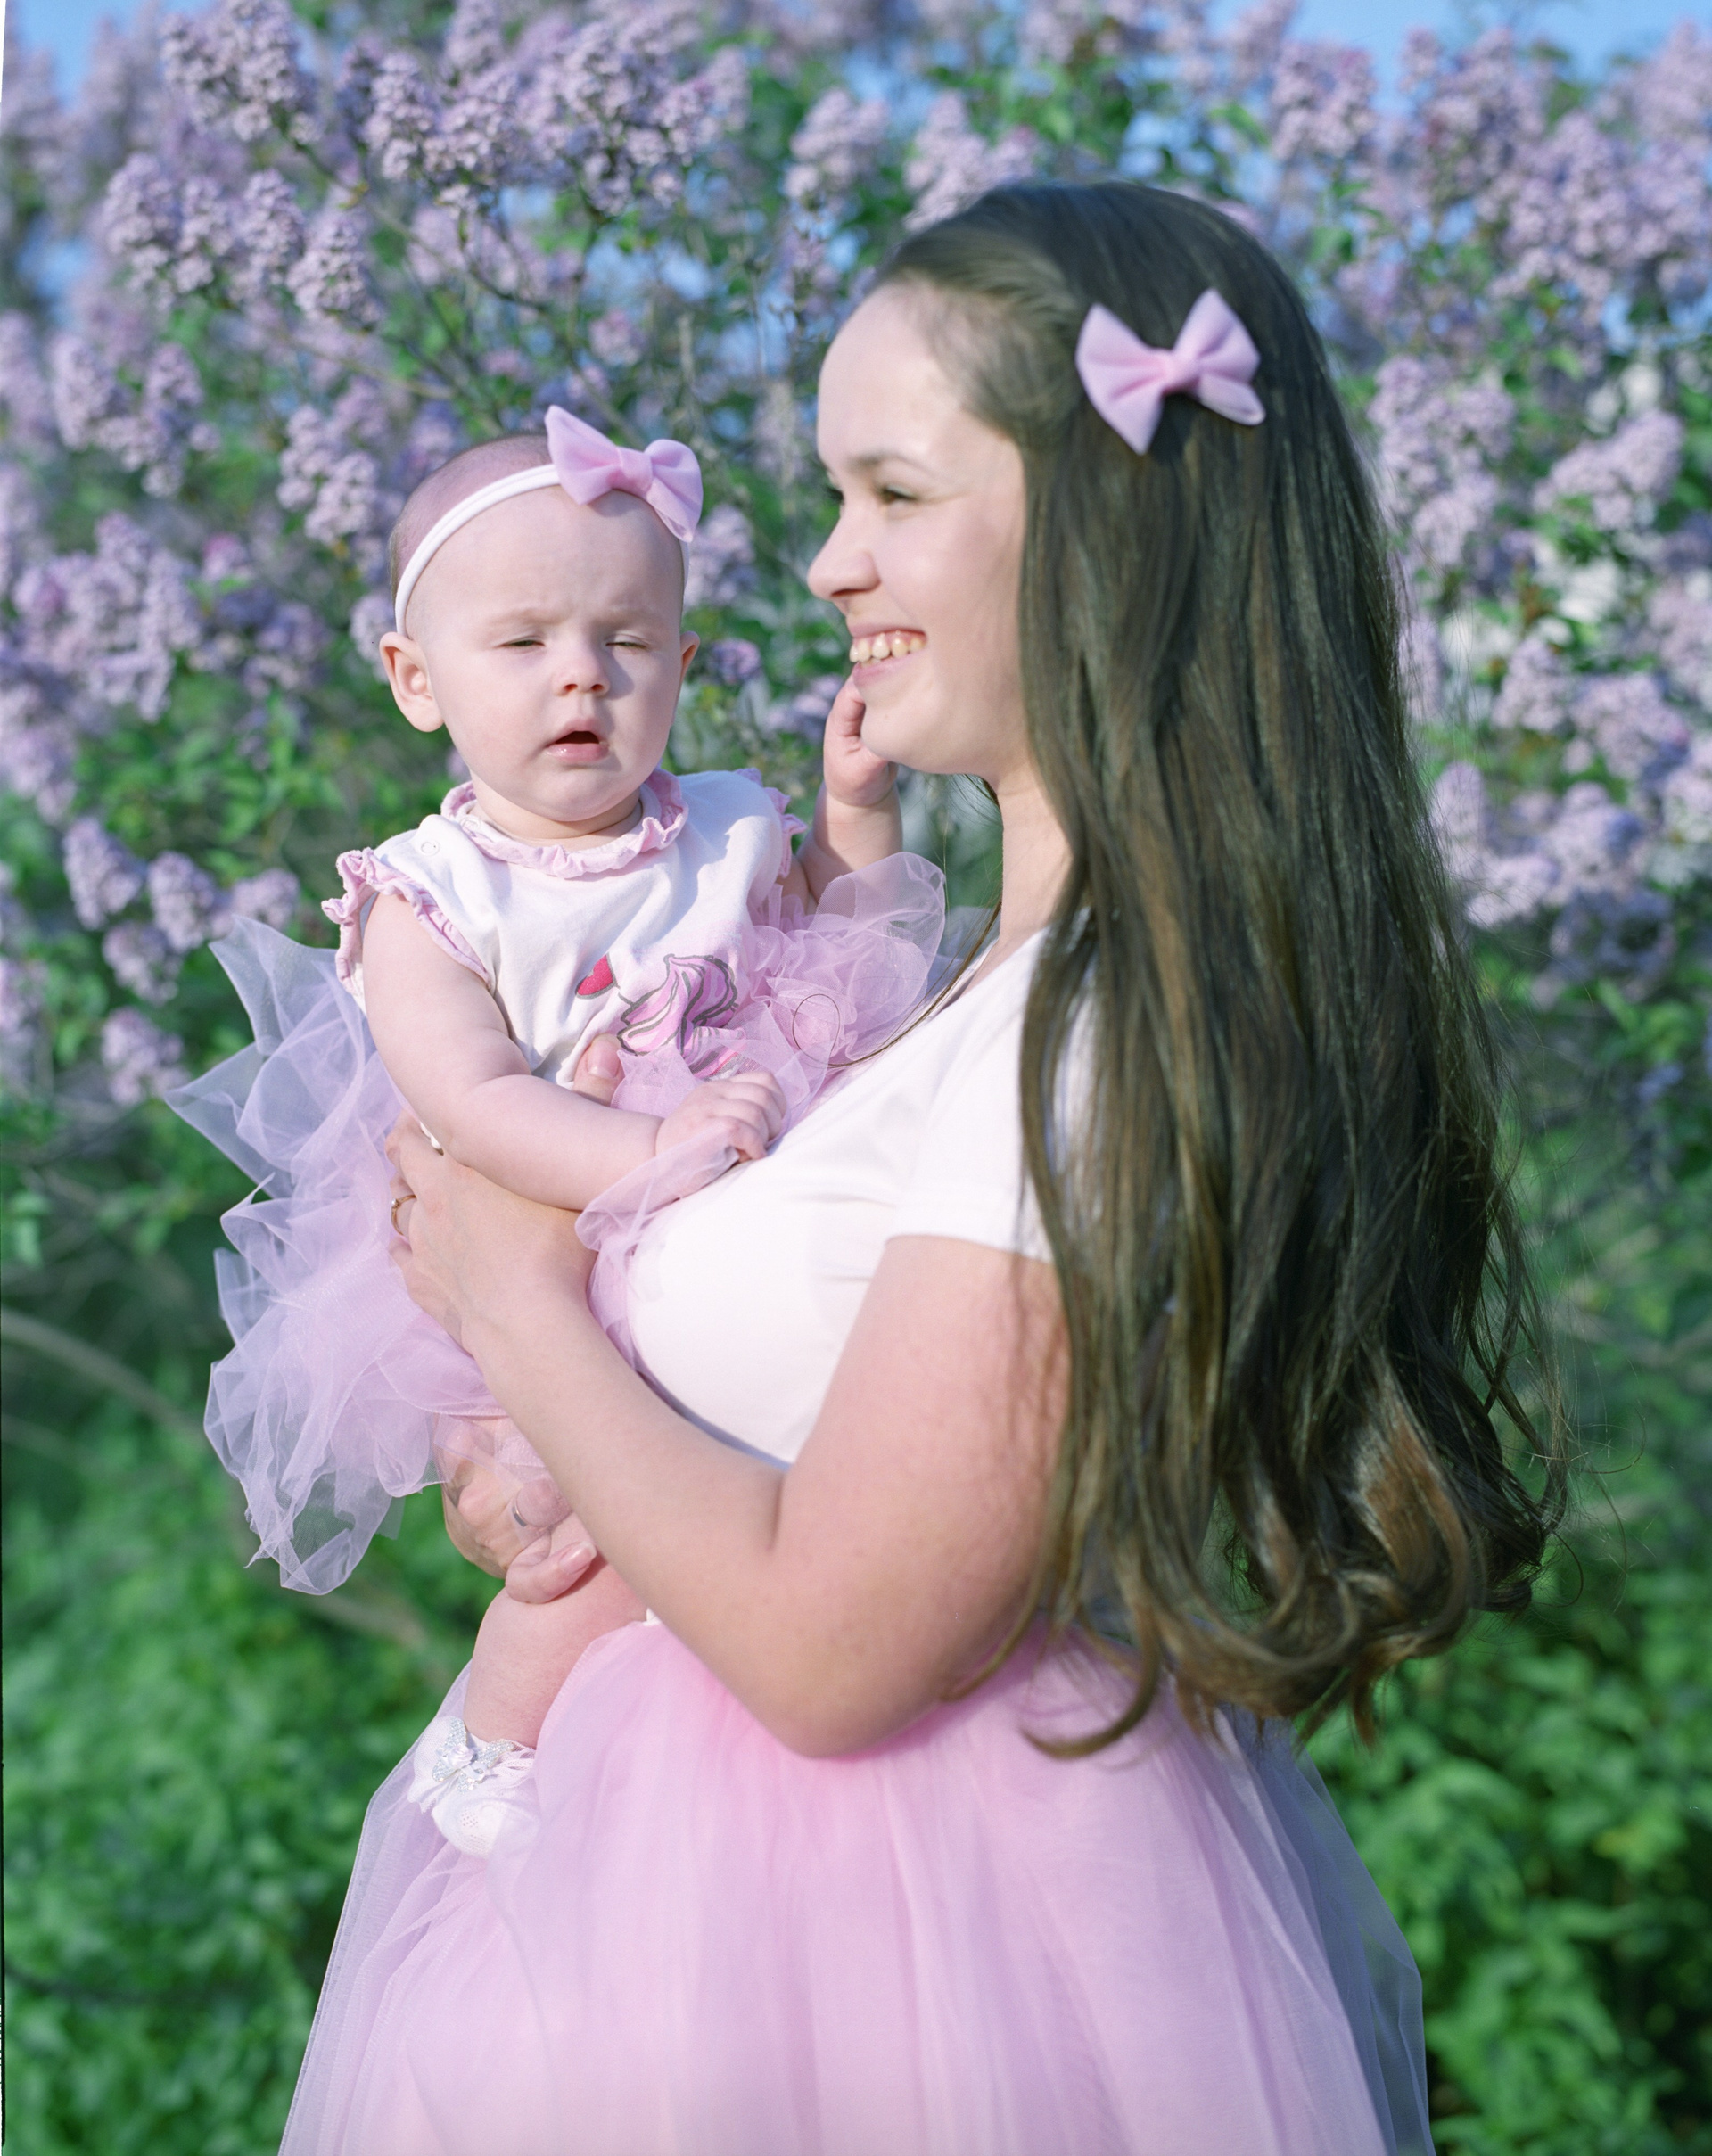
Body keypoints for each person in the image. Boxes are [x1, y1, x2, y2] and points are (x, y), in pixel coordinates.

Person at [283, 181, 1564, 2156]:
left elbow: (829, 1650)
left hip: (890, 1959)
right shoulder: (984, 996)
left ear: (1106, 527)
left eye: (891, 492)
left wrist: (518, 1309)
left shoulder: (1094, 1040)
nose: (826, 562)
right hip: (707, 1927)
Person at [169, 406, 943, 1856]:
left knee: (763, 1500)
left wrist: (856, 807)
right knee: (581, 1528)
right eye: (522, 642)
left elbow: (854, 955)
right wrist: (649, 1155)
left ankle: (727, 1758)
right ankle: (493, 1733)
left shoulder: (731, 829)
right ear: (418, 681)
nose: (580, 672)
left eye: (625, 640)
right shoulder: (431, 897)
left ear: (683, 668)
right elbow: (474, 1103)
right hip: (553, 1247)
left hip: (731, 1220)